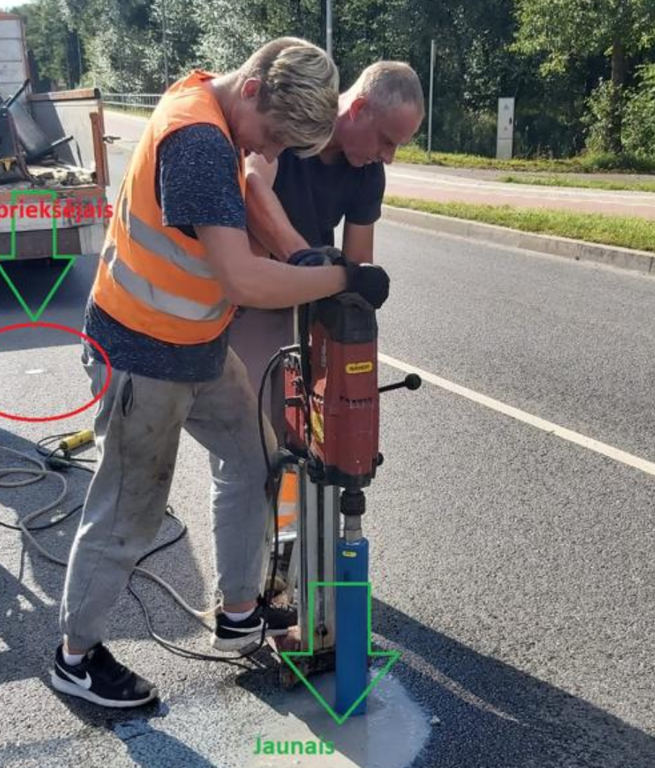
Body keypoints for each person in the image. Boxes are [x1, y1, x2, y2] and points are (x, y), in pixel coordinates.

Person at [52, 37, 391, 709]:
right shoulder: (200, 138)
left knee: (257, 460)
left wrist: (300, 257)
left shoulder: (215, 107)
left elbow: (247, 202)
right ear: (255, 90)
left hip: (200, 349)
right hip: (143, 356)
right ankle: (77, 655)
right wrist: (341, 275)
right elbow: (240, 276)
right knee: (129, 510)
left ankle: (239, 610)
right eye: (270, 134)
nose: (268, 147)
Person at [234, 61, 424, 427]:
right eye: (386, 140)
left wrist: (353, 292)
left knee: (318, 431)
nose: (389, 156)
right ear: (358, 109)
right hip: (252, 293)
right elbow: (253, 188)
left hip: (310, 295)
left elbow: (357, 261)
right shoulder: (295, 117)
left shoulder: (367, 170)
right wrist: (305, 261)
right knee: (255, 439)